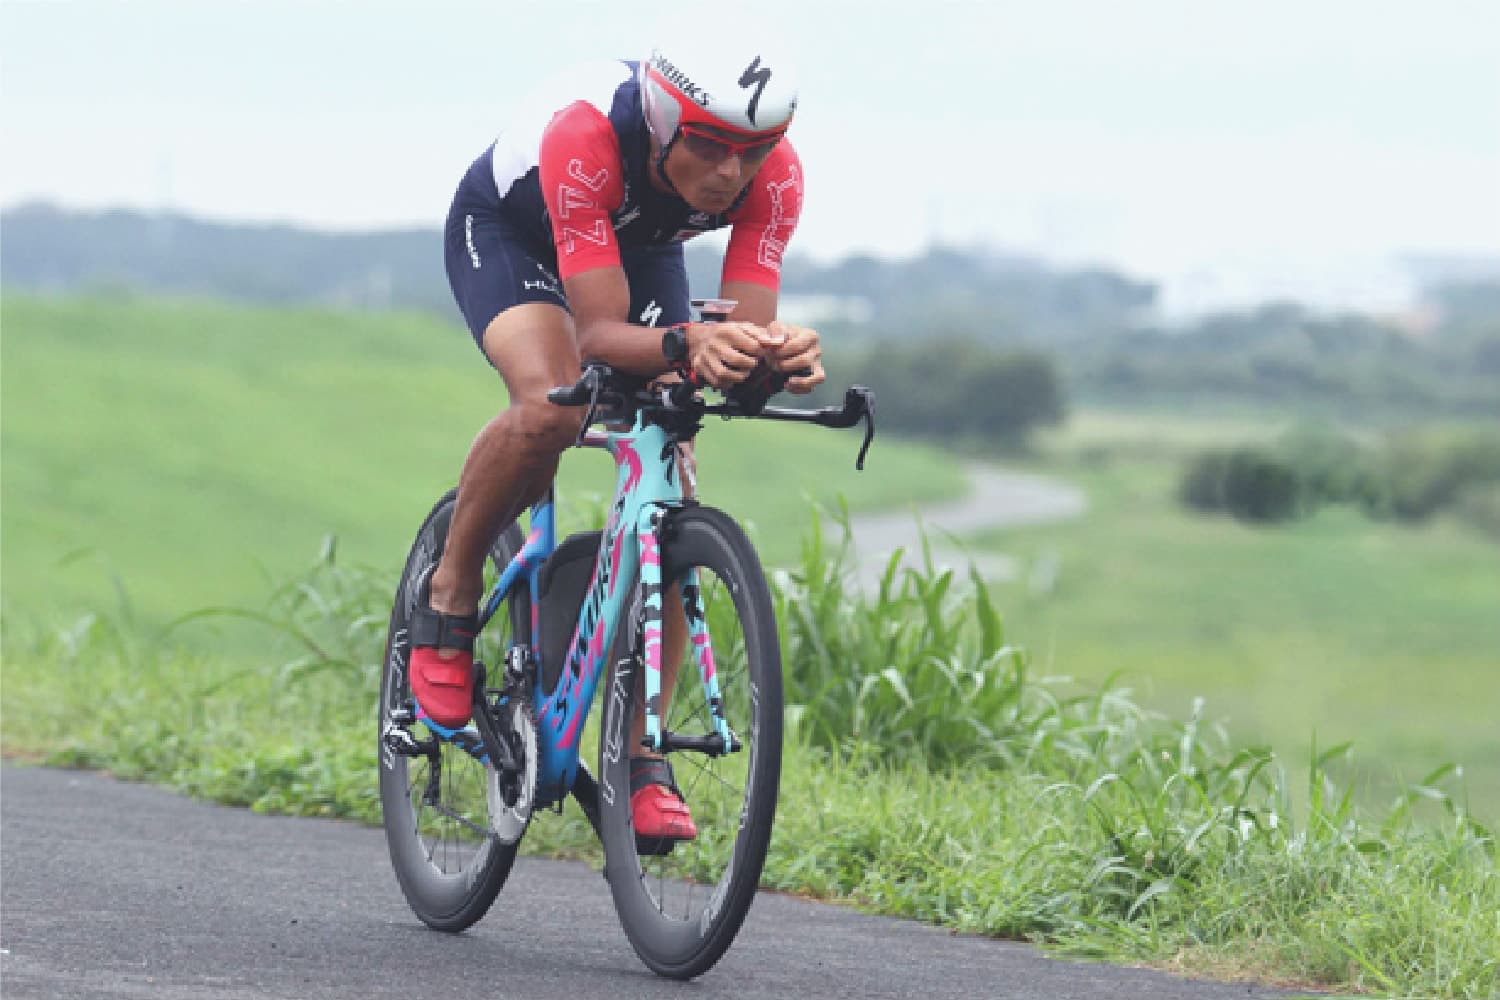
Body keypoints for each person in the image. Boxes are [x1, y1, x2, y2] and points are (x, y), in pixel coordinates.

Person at [416, 46, 825, 842]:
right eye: (708, 145)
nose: (730, 173)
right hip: (514, 234)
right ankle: (452, 591)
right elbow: (601, 336)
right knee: (551, 406)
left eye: (753, 151)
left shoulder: (776, 174)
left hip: (633, 247)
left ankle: (642, 753)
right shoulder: (589, 132)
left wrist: (771, 358)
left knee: (671, 466)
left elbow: (734, 336)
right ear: (667, 122)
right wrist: (689, 345)